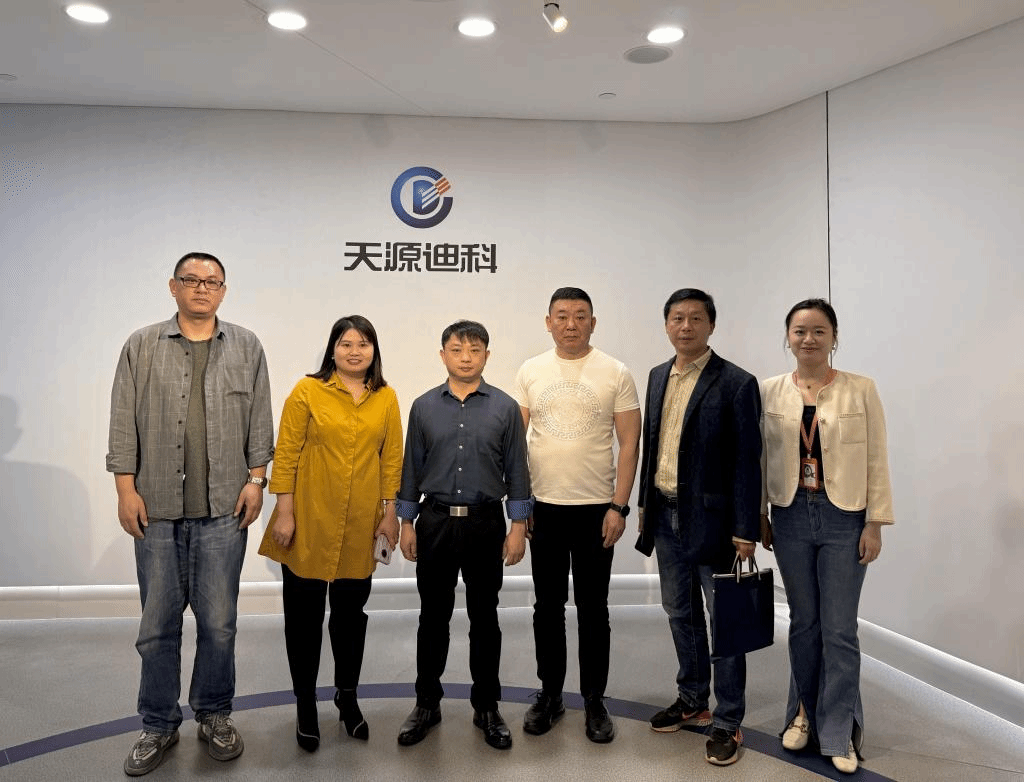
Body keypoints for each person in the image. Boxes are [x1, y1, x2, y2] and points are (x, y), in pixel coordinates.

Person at [107, 251, 273, 776]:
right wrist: (125, 490)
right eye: (192, 280)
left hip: (223, 510)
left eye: (212, 281)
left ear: (223, 291)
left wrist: (256, 481)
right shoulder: (141, 345)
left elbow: (260, 423)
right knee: (157, 627)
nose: (202, 288)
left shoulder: (246, 345)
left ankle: (214, 714)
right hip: (155, 509)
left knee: (219, 625)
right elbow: (122, 423)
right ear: (173, 286)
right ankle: (157, 724)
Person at [760, 298, 894, 775]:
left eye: (819, 331)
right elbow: (760, 459)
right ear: (788, 337)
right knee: (803, 624)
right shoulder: (770, 391)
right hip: (790, 514)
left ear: (834, 337)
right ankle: (802, 712)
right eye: (800, 331)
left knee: (839, 629)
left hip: (845, 517)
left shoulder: (861, 389)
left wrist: (875, 522)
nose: (809, 339)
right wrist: (759, 514)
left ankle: (838, 730)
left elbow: (876, 457)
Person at [257, 316, 402, 752]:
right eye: (346, 343)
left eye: (363, 344)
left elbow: (392, 460)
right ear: (332, 349)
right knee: (303, 621)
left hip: (361, 525)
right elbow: (286, 454)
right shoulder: (307, 391)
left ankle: (347, 697)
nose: (354, 351)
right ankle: (305, 704)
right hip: (309, 520)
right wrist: (285, 513)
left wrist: (390, 514)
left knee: (350, 619)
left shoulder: (386, 397)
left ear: (374, 350)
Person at [636, 288, 762, 767]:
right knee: (679, 611)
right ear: (666, 324)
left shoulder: (736, 382)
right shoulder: (656, 376)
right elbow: (653, 447)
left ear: (711, 325)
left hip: (715, 523)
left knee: (724, 620)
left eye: (695, 318)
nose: (685, 326)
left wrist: (745, 529)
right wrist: (645, 505)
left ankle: (728, 720)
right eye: (676, 318)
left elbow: (747, 462)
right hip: (664, 514)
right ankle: (692, 698)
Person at [395, 320, 533, 751]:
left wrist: (518, 527)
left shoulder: (505, 408)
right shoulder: (423, 406)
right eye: (457, 350)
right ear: (443, 356)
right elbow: (411, 468)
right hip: (434, 522)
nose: (466, 357)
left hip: (485, 523)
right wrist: (406, 522)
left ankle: (487, 707)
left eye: (475, 350)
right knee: (432, 618)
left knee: (485, 619)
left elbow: (518, 470)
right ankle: (426, 704)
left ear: (487, 356)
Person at [512, 287, 641, 743]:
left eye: (580, 316)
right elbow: (515, 445)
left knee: (593, 609)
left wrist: (618, 506)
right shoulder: (530, 370)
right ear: (548, 322)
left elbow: (630, 444)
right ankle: (550, 694)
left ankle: (594, 700)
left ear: (593, 322)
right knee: (547, 609)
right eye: (562, 316)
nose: (571, 324)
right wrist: (521, 506)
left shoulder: (616, 372)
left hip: (596, 511)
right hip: (543, 510)